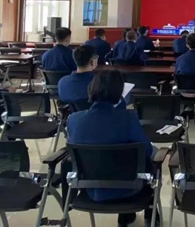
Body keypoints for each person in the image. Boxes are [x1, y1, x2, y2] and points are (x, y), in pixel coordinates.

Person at [66, 70, 154, 227]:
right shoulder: (128, 118)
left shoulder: (73, 120)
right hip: (130, 189)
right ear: (119, 92)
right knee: (152, 157)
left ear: (91, 88)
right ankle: (151, 213)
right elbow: (147, 151)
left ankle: (128, 215)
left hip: (90, 189)